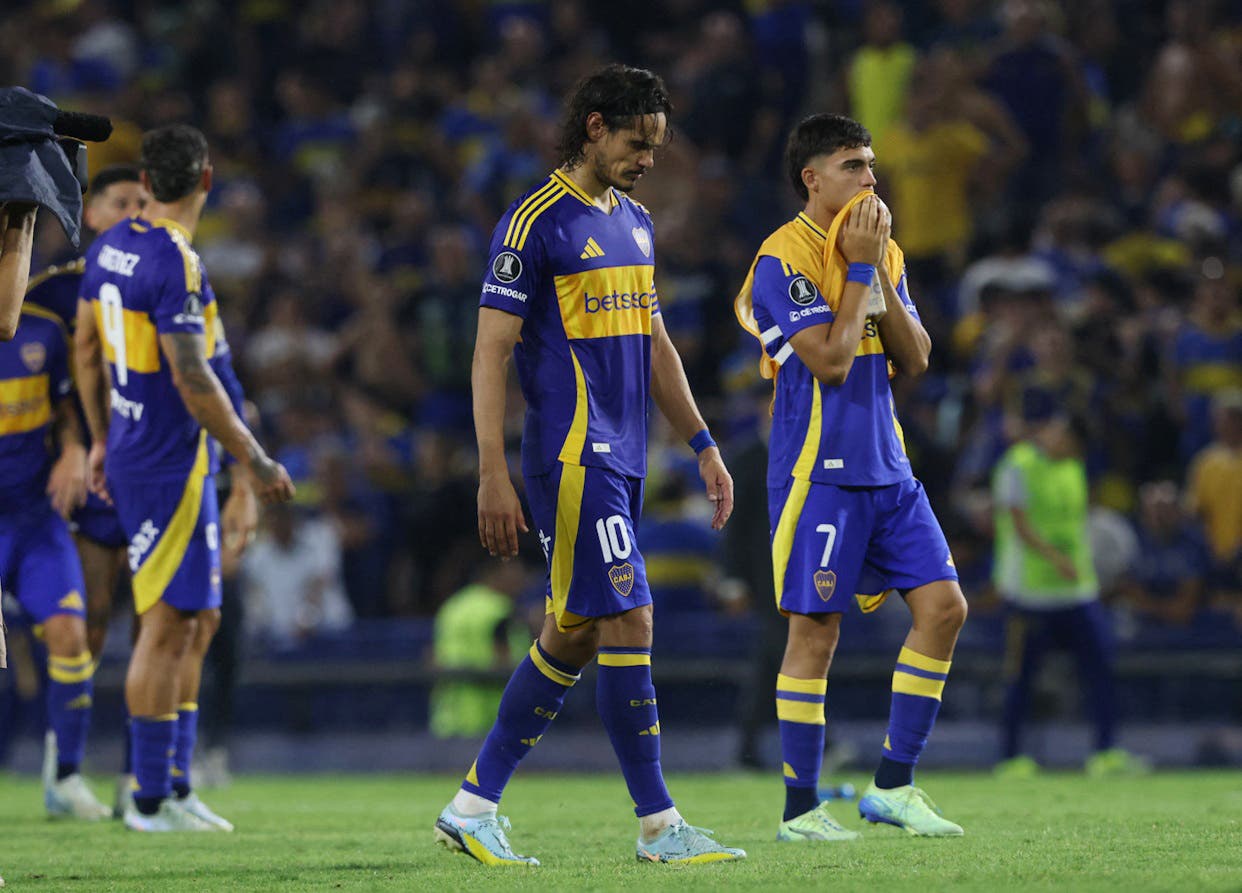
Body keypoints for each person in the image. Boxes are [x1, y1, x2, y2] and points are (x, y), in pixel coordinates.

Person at [434, 64, 745, 867]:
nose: (649, 158)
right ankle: (658, 823)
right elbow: (489, 354)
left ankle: (472, 804)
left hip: (626, 454)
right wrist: (491, 472)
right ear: (596, 127)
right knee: (630, 618)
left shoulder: (635, 222)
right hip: (572, 453)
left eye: (659, 146)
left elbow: (656, 342)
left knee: (571, 635)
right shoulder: (534, 220)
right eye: (638, 143)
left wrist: (704, 443)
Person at [734, 113, 968, 840]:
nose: (872, 178)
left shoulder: (885, 252)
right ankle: (801, 807)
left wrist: (880, 271)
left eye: (871, 165)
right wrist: (862, 267)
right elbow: (830, 362)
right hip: (820, 470)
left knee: (945, 607)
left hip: (888, 466)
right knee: (815, 632)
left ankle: (894, 785)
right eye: (854, 166)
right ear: (813, 178)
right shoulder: (783, 259)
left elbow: (918, 354)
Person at [76, 124, 294, 832]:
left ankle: (174, 781)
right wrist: (255, 460)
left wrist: (101, 434)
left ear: (148, 179)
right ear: (206, 182)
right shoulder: (175, 261)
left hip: (164, 454)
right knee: (165, 624)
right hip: (165, 460)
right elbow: (194, 376)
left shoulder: (110, 247)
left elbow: (85, 346)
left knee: (200, 620)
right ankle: (144, 796)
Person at [0, 295, 110, 819]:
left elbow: (66, 408)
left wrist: (72, 449)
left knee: (70, 633)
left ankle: (64, 778)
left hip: (34, 518)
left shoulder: (44, 331)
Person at [992, 412, 1145, 777]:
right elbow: (1019, 525)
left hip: (1077, 591)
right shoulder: (1017, 464)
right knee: (1021, 678)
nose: (1071, 450)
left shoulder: (1073, 467)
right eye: (1070, 442)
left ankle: (1105, 753)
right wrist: (1058, 559)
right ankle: (1011, 758)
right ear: (1056, 432)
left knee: (1102, 668)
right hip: (1029, 593)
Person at [429, 557, 533, 739]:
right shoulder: (500, 609)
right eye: (516, 572)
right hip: (490, 719)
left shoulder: (453, 606)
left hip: (449, 716)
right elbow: (503, 659)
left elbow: (434, 658)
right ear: (497, 573)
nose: (522, 578)